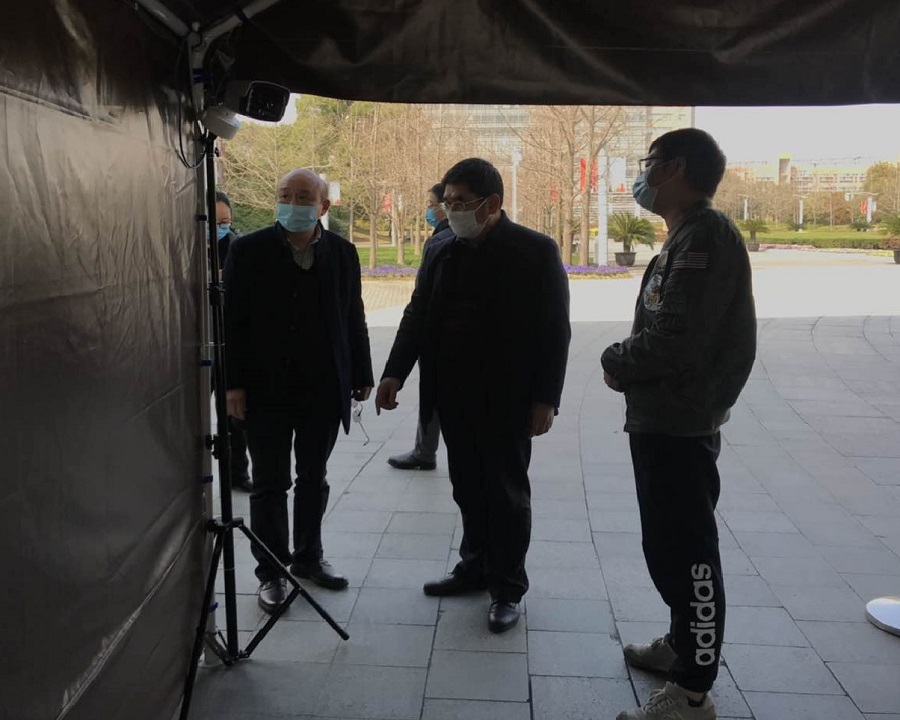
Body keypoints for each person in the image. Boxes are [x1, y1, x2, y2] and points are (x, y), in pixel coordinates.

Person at [375, 158, 571, 633]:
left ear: (492, 204)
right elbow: (418, 313)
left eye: (462, 202)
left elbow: (554, 330)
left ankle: (507, 587)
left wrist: (546, 398)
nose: (452, 211)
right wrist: (394, 372)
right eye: (448, 202)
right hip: (453, 394)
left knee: (506, 492)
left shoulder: (535, 251)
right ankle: (475, 566)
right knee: (466, 486)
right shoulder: (442, 248)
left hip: (508, 398)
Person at [600, 129, 756, 720]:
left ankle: (692, 690)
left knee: (690, 554)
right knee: (665, 543)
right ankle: (681, 643)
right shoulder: (689, 233)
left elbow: (676, 338)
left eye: (651, 164)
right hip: (665, 417)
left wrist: (617, 360)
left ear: (677, 169)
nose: (644, 175)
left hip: (680, 421)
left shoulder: (705, 236)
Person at [224, 168, 374, 613]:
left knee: (313, 477)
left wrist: (361, 374)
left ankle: (309, 557)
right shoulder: (248, 250)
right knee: (269, 483)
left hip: (323, 389)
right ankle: (271, 572)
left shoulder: (343, 253)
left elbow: (353, 316)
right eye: (285, 195)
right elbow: (231, 321)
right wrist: (232, 385)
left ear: (323, 206)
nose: (293, 203)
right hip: (264, 390)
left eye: (304, 196)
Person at [387, 183, 451, 471]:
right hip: (436, 342)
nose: (428, 210)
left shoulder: (442, 242)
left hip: (441, 343)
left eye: (431, 204)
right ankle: (425, 451)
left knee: (435, 397)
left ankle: (425, 452)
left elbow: (419, 307)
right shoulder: (439, 240)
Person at [215, 190, 252, 493]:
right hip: (188, 344)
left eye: (225, 222)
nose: (220, 228)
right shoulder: (179, 247)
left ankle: (237, 474)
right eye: (214, 223)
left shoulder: (237, 248)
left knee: (233, 414)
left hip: (227, 342)